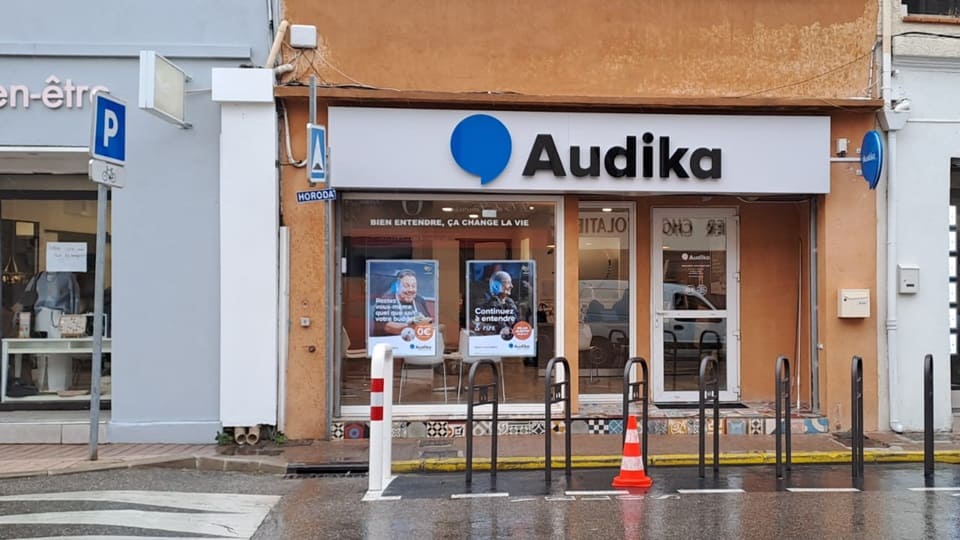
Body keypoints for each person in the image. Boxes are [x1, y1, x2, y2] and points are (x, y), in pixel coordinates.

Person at [371, 269, 433, 336]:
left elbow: (429, 322)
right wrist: (413, 325)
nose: (410, 290)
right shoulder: (385, 301)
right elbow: (387, 327)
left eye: (414, 286)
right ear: (397, 286)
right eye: (406, 286)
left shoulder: (419, 300)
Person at [473, 270, 521, 336]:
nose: (511, 286)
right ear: (496, 285)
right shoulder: (490, 306)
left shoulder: (510, 303)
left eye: (511, 283)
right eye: (508, 283)